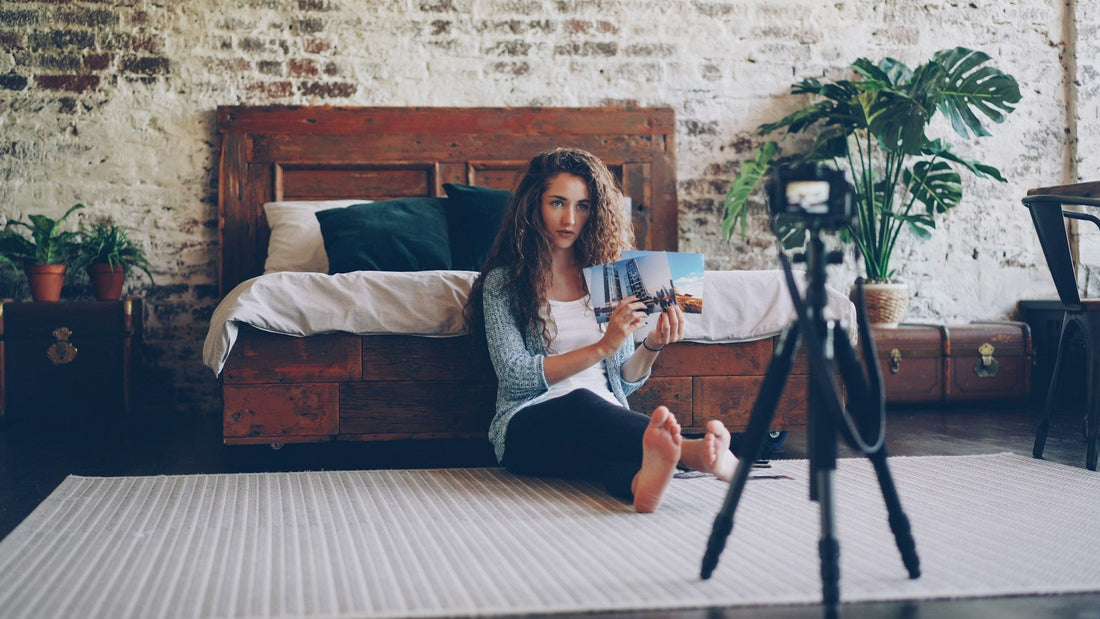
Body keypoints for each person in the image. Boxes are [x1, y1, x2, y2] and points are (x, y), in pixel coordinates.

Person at [465, 147, 737, 513]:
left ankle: (640, 483)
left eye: (583, 206)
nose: (570, 219)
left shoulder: (608, 277)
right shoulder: (504, 284)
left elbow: (622, 383)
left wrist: (652, 344)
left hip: (605, 420)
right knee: (581, 404)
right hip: (528, 426)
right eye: (557, 203)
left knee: (608, 446)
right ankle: (692, 452)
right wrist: (602, 347)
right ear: (533, 206)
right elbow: (514, 376)